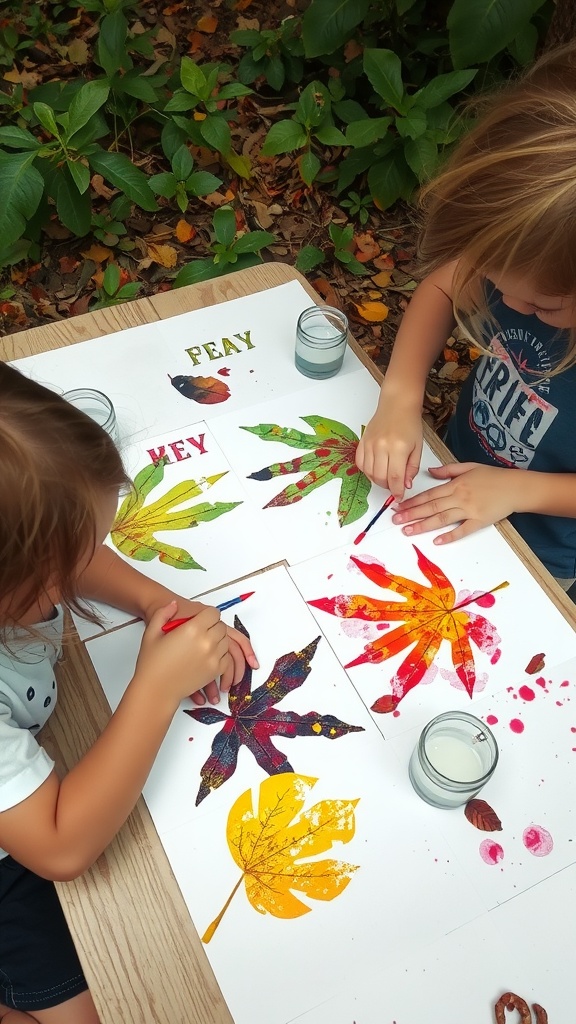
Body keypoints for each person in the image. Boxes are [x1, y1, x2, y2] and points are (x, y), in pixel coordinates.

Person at [0, 362, 258, 1023]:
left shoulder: (26, 552)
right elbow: (60, 847)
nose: (82, 565)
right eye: (61, 569)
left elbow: (69, 548)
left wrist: (156, 600)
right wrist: (154, 689)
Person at [356, 41, 576, 590]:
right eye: (501, 286)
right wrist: (400, 397)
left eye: (544, 305)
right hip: (453, 470)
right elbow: (443, 284)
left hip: (541, 554)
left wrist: (519, 490)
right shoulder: (526, 255)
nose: (515, 307)